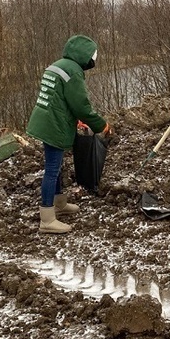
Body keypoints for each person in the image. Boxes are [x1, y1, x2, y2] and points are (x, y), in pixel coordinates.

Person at [26, 35, 113, 233]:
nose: (93, 60)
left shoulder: (58, 65)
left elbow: (61, 99)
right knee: (52, 168)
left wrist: (77, 118)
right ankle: (47, 219)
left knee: (56, 166)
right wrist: (101, 125)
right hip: (54, 124)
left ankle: (58, 204)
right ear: (84, 55)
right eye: (93, 56)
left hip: (46, 120)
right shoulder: (73, 71)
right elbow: (81, 106)